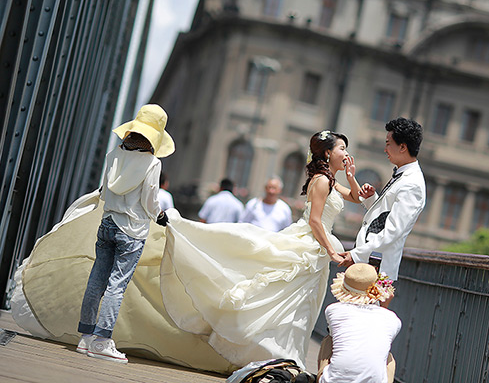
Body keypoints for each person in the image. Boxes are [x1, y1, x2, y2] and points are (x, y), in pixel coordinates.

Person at [9, 129, 366, 373]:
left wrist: (352, 178)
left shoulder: (332, 180)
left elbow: (355, 199)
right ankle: (99, 337)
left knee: (296, 304)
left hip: (315, 251)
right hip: (311, 246)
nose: (345, 153)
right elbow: (317, 221)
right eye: (341, 149)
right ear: (326, 153)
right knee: (279, 296)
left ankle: (90, 333)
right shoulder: (320, 181)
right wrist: (334, 253)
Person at [76, 104, 174, 363]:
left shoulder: (113, 154)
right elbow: (150, 199)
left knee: (97, 279)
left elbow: (105, 191)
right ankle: (102, 340)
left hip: (107, 222)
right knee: (116, 286)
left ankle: (85, 337)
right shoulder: (152, 162)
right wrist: (160, 216)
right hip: (132, 230)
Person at [341, 118, 426, 296]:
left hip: (377, 266)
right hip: (371, 262)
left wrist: (356, 254)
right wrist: (372, 198)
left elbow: (393, 230)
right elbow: (385, 216)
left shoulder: (412, 184)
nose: (385, 149)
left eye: (388, 143)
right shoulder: (403, 175)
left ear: (402, 147)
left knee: (363, 319)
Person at [317, 263, 400, 383]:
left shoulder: (332, 310)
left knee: (329, 340)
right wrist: (384, 306)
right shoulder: (392, 318)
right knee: (388, 356)